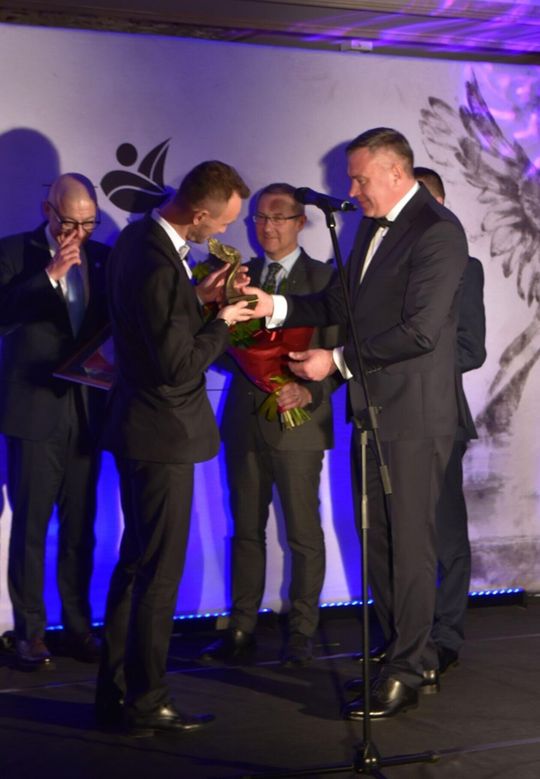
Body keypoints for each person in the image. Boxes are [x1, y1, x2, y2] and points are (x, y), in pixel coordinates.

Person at [246, 128, 469, 718]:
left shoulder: (439, 231)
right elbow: (340, 306)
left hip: (415, 415)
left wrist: (337, 362)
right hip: (371, 411)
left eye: (360, 178)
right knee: (378, 540)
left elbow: (420, 332)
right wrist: (277, 306)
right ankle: (400, 652)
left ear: (396, 173)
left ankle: (410, 667)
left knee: (412, 544)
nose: (351, 189)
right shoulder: (368, 227)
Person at [95, 160, 253, 737]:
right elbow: (176, 363)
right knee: (158, 575)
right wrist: (222, 320)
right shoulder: (157, 260)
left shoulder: (138, 239)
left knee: (136, 565)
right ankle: (147, 701)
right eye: (222, 222)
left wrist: (195, 298)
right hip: (162, 433)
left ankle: (116, 695)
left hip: (139, 428)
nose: (224, 232)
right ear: (199, 213)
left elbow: (156, 322)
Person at [200, 183, 340, 667]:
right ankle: (241, 628)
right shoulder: (239, 276)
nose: (267, 226)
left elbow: (341, 353)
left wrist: (310, 391)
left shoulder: (326, 278)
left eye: (279, 217)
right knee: (245, 530)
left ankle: (302, 632)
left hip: (299, 423)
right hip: (244, 419)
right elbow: (220, 347)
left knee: (303, 532)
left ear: (301, 222)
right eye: (259, 217)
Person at [0, 173, 109, 669]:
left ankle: (78, 627)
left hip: (87, 410)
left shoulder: (103, 258)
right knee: (31, 527)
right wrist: (49, 274)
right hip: (34, 409)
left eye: (89, 224)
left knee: (81, 527)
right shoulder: (13, 252)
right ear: (48, 211)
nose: (78, 234)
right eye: (69, 223)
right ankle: (29, 632)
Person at [414, 166, 487, 673]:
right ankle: (407, 637)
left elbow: (471, 349)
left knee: (446, 535)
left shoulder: (466, 266)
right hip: (391, 418)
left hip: (441, 414)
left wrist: (411, 366)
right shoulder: (388, 268)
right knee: (396, 538)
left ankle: (447, 636)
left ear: (439, 205)